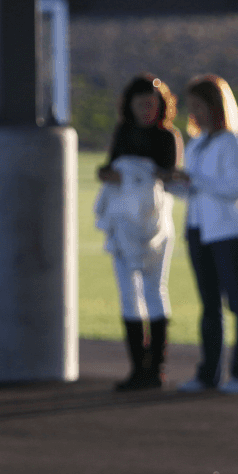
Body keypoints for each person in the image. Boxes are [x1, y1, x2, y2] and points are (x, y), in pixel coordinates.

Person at [168, 74, 238, 394]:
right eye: (192, 106)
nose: (194, 113)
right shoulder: (197, 143)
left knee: (236, 300)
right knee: (209, 305)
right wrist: (170, 182)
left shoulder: (234, 142)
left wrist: (193, 180)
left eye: (200, 106)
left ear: (216, 107)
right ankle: (208, 374)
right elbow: (193, 191)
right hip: (198, 230)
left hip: (227, 231)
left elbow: (235, 188)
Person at [95, 74, 182, 391]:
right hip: (123, 225)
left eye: (151, 104)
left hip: (154, 227)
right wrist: (112, 174)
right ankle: (137, 368)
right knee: (128, 295)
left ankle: (155, 368)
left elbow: (169, 177)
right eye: (141, 104)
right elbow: (108, 169)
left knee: (155, 290)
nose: (147, 110)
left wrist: (141, 175)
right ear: (129, 106)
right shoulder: (123, 132)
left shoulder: (167, 136)